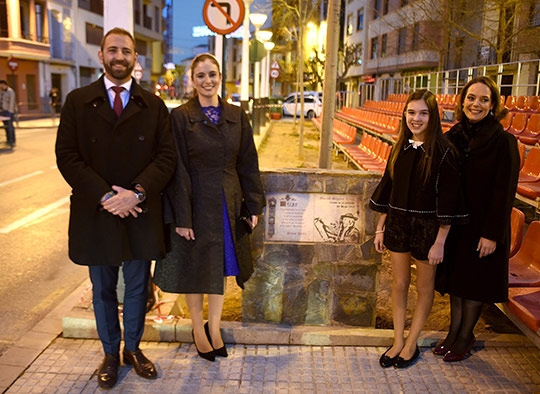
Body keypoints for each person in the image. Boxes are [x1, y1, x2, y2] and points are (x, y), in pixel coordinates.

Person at [55, 27, 176, 389]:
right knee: (103, 287)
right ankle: (110, 352)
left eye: (126, 51)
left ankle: (134, 350)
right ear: (101, 56)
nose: (119, 56)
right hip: (98, 212)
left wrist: (136, 193)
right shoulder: (78, 101)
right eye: (113, 50)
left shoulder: (153, 106)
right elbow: (67, 156)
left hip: (139, 211)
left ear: (135, 57)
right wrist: (107, 197)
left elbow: (166, 157)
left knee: (139, 287)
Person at [154, 53, 265, 362]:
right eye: (200, 75)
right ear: (192, 80)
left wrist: (253, 205)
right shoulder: (180, 117)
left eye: (212, 74)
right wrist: (182, 217)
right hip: (195, 203)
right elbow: (178, 170)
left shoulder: (236, 115)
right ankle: (197, 330)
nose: (207, 80)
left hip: (227, 204)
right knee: (195, 268)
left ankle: (214, 328)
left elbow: (248, 162)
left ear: (220, 77)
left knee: (219, 269)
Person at [370, 89, 467, 369]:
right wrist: (380, 228)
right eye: (411, 112)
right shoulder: (399, 146)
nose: (416, 118)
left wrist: (440, 241)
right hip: (398, 225)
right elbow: (389, 188)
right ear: (405, 115)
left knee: (424, 288)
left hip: (429, 230)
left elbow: (448, 199)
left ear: (433, 116)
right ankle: (398, 340)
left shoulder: (445, 151)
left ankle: (412, 343)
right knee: (399, 285)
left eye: (423, 113)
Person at [434, 76, 520, 362]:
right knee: (457, 283)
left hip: (484, 226)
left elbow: (504, 191)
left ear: (493, 105)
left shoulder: (504, 141)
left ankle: (465, 336)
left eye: (484, 99)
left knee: (474, 284)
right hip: (459, 224)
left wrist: (492, 234)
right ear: (462, 101)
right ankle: (454, 332)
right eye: (471, 98)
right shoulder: (454, 135)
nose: (476, 104)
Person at [0, 80, 17, 148]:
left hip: (9, 111)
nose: (1, 86)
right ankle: (8, 140)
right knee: (5, 126)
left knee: (10, 127)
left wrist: (10, 112)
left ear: (5, 85)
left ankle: (12, 141)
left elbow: (12, 102)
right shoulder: (1, 92)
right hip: (2, 111)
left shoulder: (10, 91)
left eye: (1, 85)